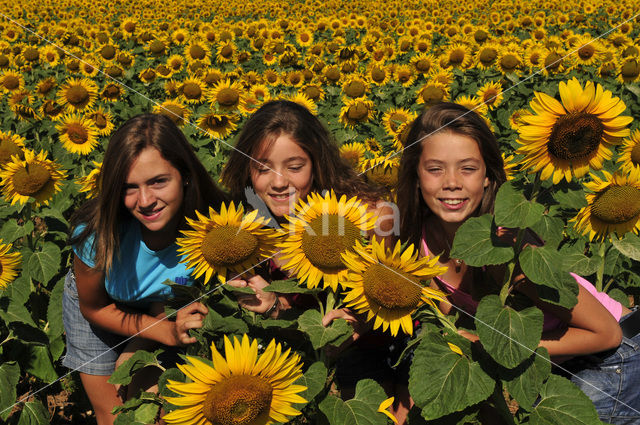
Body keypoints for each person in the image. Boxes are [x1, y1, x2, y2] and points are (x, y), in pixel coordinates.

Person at [397, 102, 640, 423]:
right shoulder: (422, 238)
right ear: (415, 175)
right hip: (552, 359)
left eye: (467, 168)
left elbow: (605, 334)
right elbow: (450, 324)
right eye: (435, 168)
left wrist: (492, 345)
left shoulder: (508, 250)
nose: (451, 182)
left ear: (487, 176)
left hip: (612, 356)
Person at [220, 100, 411, 418]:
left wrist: (345, 330)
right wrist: (272, 306)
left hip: (372, 344)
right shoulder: (245, 228)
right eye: (263, 168)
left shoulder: (365, 216)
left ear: (317, 163)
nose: (279, 182)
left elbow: (391, 298)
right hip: (290, 349)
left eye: (295, 167)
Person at [62, 113, 225, 425]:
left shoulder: (214, 228)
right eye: (129, 187)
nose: (146, 200)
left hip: (164, 304)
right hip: (99, 306)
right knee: (113, 416)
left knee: (159, 409)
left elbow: (175, 295)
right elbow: (94, 307)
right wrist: (163, 332)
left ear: (185, 175)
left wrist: (139, 346)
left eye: (158, 181)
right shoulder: (97, 233)